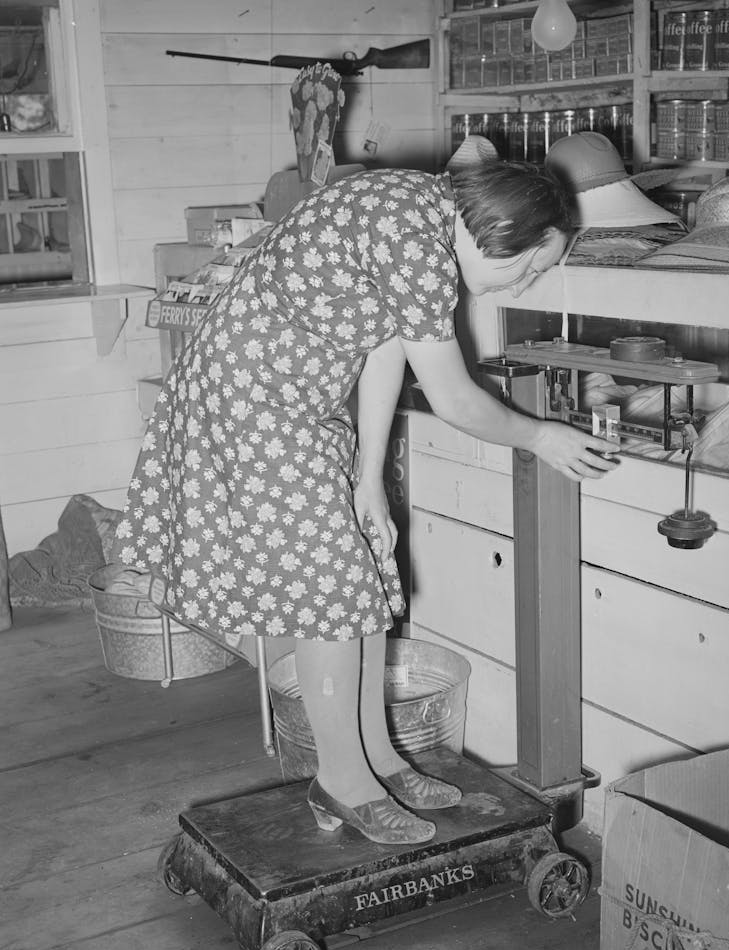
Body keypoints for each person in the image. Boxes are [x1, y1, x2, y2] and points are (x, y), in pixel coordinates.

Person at [113, 159, 619, 847]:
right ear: (499, 232)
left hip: (297, 404)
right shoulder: (420, 244)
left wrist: (367, 475)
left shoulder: (418, 206)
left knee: (366, 572)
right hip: (250, 406)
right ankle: (343, 781)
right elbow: (454, 398)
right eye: (528, 268)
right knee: (331, 594)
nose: (523, 284)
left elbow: (381, 342)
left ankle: (378, 758)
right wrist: (538, 436)